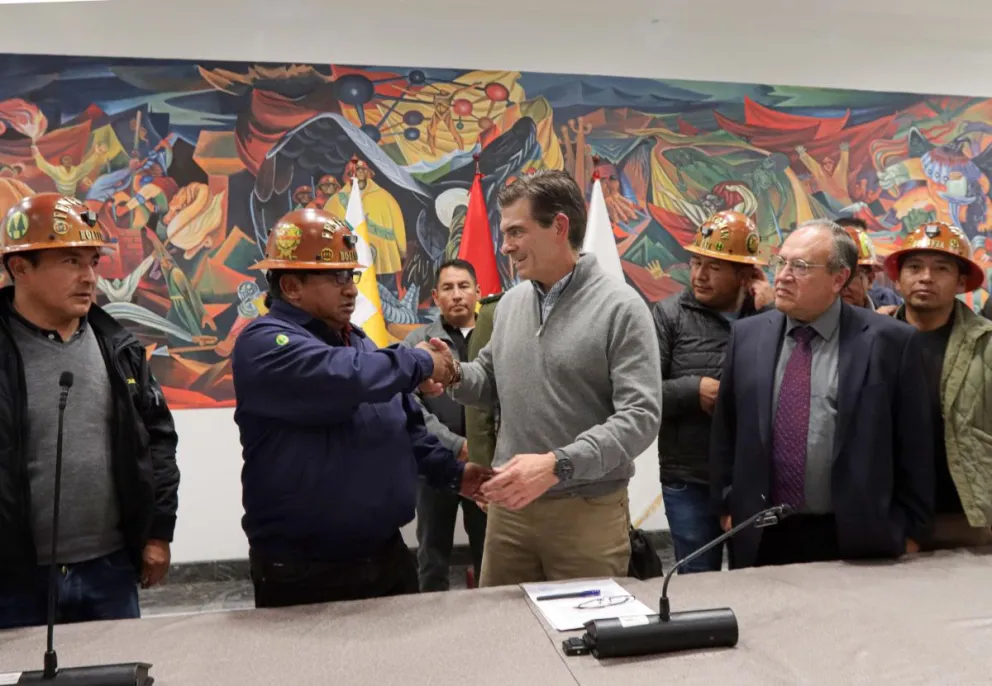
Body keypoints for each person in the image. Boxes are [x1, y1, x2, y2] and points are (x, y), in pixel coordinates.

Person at [231, 208, 491, 608]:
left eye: (351, 276)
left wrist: (455, 473)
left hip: (386, 556)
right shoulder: (265, 343)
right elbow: (342, 377)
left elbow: (406, 429)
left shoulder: (358, 343)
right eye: (336, 278)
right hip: (304, 569)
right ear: (293, 286)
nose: (351, 289)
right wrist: (420, 361)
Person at [428, 170, 662, 587]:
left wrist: (559, 465)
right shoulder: (510, 304)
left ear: (559, 227)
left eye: (516, 231)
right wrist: (453, 372)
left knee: (588, 637)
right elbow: (489, 379)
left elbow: (640, 417)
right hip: (509, 514)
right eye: (504, 233)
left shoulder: (621, 308)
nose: (505, 246)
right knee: (502, 637)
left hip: (586, 512)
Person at [0, 193, 179, 630]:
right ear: (20, 267)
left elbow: (157, 440)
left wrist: (158, 532)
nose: (90, 278)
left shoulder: (118, 347)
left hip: (111, 571)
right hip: (12, 577)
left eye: (93, 262)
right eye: (71, 261)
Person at [710, 219, 933, 568]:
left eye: (799, 267)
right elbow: (727, 431)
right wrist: (728, 505)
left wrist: (912, 530)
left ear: (838, 278)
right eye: (781, 262)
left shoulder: (891, 342)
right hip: (762, 535)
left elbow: (916, 445)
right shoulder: (747, 336)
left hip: (857, 537)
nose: (782, 276)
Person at [653, 210, 771, 573]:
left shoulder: (770, 315)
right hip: (689, 477)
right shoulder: (669, 314)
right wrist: (692, 391)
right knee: (695, 578)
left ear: (745, 275)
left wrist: (776, 312)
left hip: (754, 477)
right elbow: (640, 393)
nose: (699, 275)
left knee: (757, 577)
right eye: (695, 262)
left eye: (714, 267)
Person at [882, 222, 992, 548]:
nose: (925, 277)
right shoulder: (872, 342)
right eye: (914, 267)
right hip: (890, 519)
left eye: (941, 269)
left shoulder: (985, 344)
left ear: (961, 283)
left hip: (971, 520)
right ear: (898, 278)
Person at [401, 259, 487, 592]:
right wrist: (457, 446)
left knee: (489, 552)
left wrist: (481, 448)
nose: (457, 295)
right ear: (435, 297)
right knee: (432, 554)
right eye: (448, 288)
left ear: (478, 291)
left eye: (464, 286)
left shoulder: (494, 338)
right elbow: (412, 405)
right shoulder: (419, 343)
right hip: (436, 463)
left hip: (487, 463)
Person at [835, 217, 902, 310]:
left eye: (850, 276)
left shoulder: (886, 300)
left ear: (870, 279)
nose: (842, 285)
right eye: (835, 274)